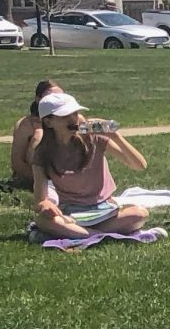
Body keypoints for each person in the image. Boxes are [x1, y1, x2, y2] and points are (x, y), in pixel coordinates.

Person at [28, 93, 149, 241]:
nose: (73, 119)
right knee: (42, 220)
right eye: (65, 115)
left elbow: (140, 165)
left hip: (104, 210)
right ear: (48, 122)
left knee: (140, 213)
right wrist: (46, 205)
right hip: (71, 213)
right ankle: (98, 235)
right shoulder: (43, 152)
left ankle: (82, 234)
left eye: (75, 113)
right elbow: (40, 200)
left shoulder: (94, 139)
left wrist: (115, 135)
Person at [10, 79, 64, 189]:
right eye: (49, 97)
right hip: (34, 176)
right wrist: (41, 180)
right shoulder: (26, 125)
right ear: (38, 99)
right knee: (39, 136)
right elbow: (17, 163)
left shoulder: (72, 120)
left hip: (63, 175)